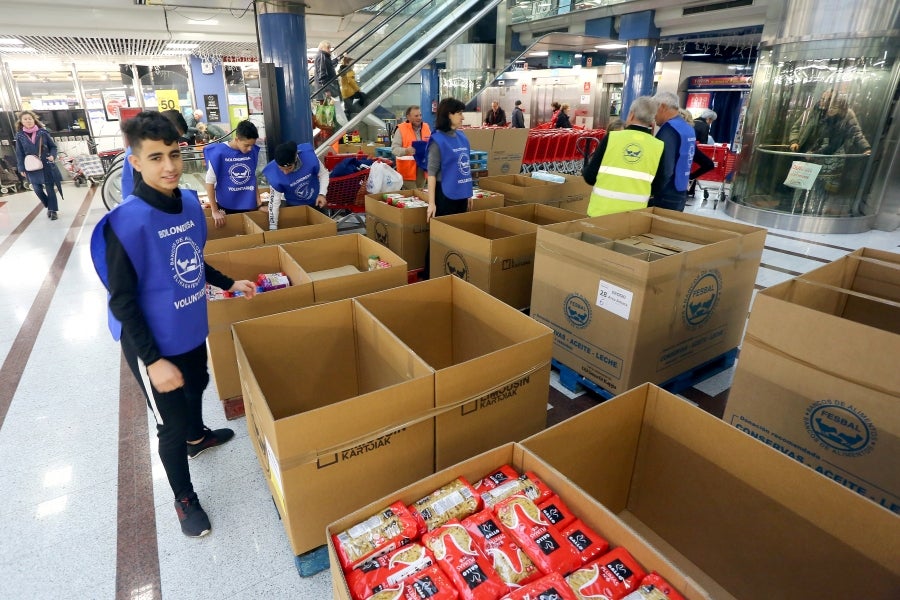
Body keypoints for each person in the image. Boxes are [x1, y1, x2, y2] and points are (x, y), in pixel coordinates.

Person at [89, 110, 257, 538]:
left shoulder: (188, 203)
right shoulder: (125, 224)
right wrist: (153, 360)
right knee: (171, 425)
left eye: (175, 154)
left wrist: (228, 283)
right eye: (155, 157)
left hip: (188, 326)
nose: (169, 166)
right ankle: (184, 498)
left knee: (198, 383)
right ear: (135, 162)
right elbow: (122, 300)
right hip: (150, 341)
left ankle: (197, 438)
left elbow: (191, 258)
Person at [582, 96, 664, 217]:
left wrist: (585, 171)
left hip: (601, 212)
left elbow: (590, 177)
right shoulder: (658, 146)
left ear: (631, 115)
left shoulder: (612, 138)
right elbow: (659, 184)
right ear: (652, 120)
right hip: (635, 215)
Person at [425, 98, 472, 278]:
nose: (462, 117)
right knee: (440, 237)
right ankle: (430, 274)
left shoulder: (462, 138)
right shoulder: (438, 140)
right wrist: (431, 203)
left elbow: (465, 167)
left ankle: (451, 273)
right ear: (448, 115)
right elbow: (431, 173)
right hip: (444, 195)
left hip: (461, 194)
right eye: (459, 113)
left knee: (457, 235)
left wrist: (469, 193)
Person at [204, 120, 261, 228]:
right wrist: (214, 210)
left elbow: (252, 178)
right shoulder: (219, 153)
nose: (250, 149)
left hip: (247, 202)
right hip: (225, 204)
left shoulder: (251, 152)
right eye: (246, 145)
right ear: (237, 139)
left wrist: (259, 204)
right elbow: (209, 182)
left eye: (252, 145)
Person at [263, 141, 329, 230]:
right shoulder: (275, 175)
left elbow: (323, 174)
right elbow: (274, 202)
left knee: (324, 230)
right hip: (294, 206)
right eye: (281, 169)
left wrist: (322, 194)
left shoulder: (309, 158)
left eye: (289, 168)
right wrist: (273, 226)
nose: (285, 172)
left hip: (316, 202)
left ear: (295, 158)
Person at [650, 91, 696, 211]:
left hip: (666, 194)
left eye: (654, 110)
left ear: (662, 107)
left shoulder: (669, 130)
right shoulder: (687, 128)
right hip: (680, 190)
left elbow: (665, 169)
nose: (653, 116)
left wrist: (652, 190)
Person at [14, 110, 61, 220]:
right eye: (25, 119)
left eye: (30, 118)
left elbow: (53, 147)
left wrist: (52, 156)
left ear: (34, 120)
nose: (28, 121)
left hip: (45, 163)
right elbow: (19, 153)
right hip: (30, 165)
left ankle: (53, 210)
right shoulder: (20, 136)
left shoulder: (42, 132)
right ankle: (49, 205)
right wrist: (21, 168)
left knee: (50, 188)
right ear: (21, 122)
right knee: (37, 189)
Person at [391, 105, 431, 189]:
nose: (419, 118)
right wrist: (406, 151)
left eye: (420, 115)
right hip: (407, 171)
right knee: (412, 194)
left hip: (422, 169)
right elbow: (394, 149)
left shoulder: (426, 127)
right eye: (416, 116)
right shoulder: (401, 129)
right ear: (408, 117)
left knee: (420, 193)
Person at [679, 109, 716, 201]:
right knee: (708, 164)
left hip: (685, 153)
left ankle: (689, 182)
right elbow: (704, 142)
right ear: (709, 119)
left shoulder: (692, 124)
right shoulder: (704, 126)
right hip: (694, 150)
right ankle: (691, 177)